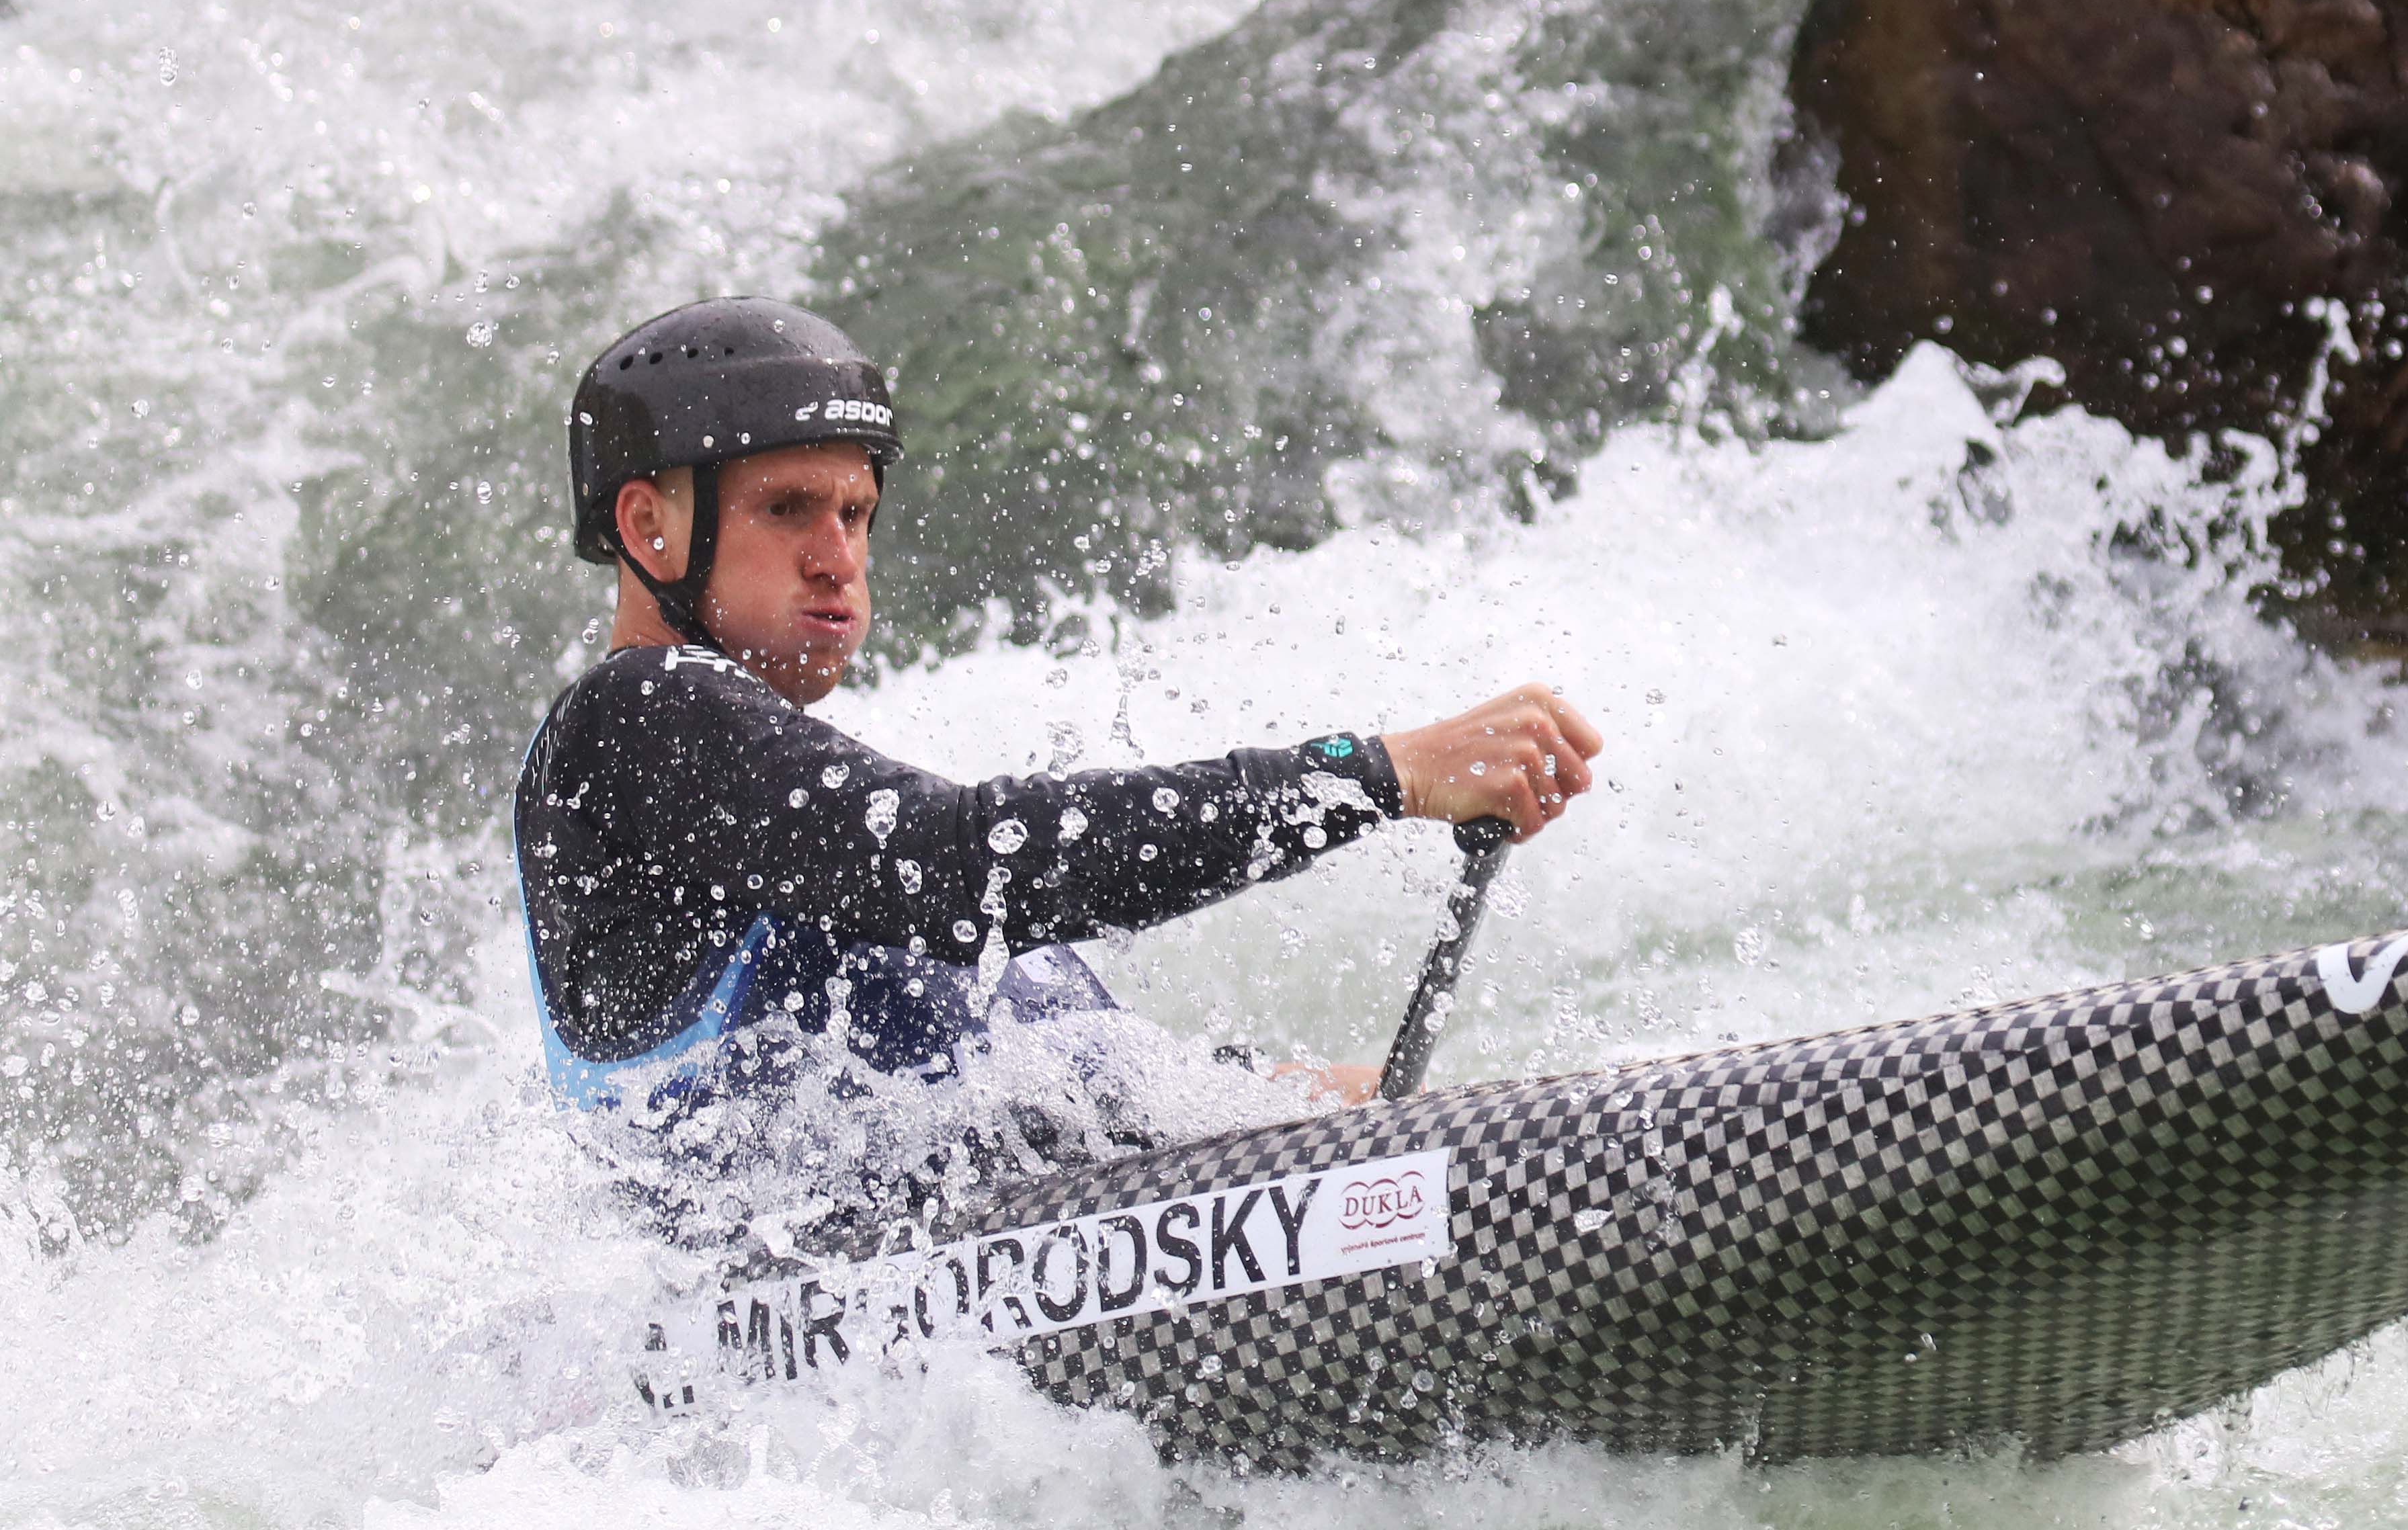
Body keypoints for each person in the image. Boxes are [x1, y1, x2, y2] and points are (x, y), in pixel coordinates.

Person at [514, 296, 1598, 1126]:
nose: (838, 559)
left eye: (857, 513)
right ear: (651, 528)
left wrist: (1270, 1099)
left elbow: (999, 1045)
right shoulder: (633, 719)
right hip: (845, 1319)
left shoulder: (759, 787)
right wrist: (1375, 774)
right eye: (789, 510)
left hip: (996, 1268)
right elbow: (960, 867)